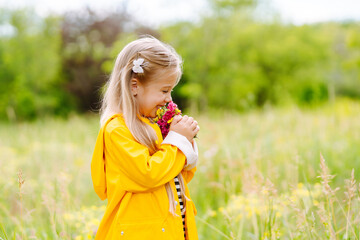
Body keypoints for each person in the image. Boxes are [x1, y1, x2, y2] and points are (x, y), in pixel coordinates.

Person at [91, 36, 200, 240]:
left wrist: (187, 141)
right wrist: (177, 143)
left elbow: (178, 176)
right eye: (164, 90)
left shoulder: (154, 125)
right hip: (139, 233)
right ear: (134, 86)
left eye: (171, 90)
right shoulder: (117, 130)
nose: (169, 99)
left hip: (172, 228)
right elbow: (148, 174)